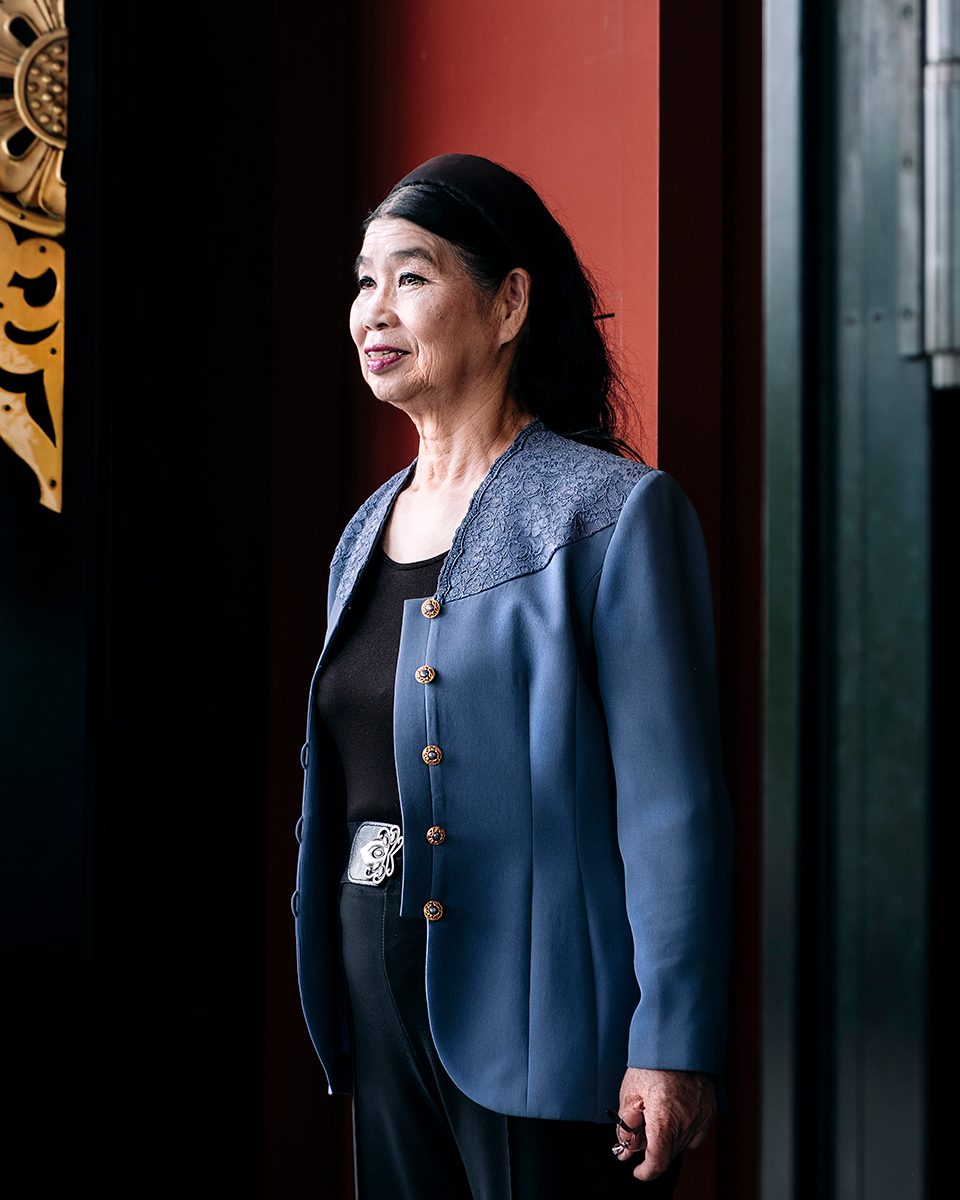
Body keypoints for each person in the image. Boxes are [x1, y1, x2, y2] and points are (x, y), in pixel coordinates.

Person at [291, 152, 733, 1199]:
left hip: (542, 1021)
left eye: (411, 276)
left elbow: (673, 805)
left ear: (508, 306)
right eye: (363, 281)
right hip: (377, 995)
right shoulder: (364, 530)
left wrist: (672, 1037)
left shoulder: (612, 513)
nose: (373, 310)